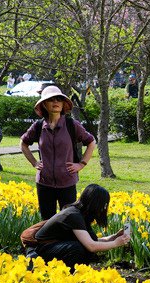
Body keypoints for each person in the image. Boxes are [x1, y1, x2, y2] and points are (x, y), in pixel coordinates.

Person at [20, 86, 97, 220]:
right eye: (51, 100)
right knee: (46, 221)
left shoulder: (72, 125)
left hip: (67, 182)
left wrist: (81, 164)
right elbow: (23, 143)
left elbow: (91, 142)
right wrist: (34, 162)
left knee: (68, 221)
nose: (55, 102)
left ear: (63, 104)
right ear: (44, 104)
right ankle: (49, 242)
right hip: (44, 183)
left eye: (59, 99)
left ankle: (66, 242)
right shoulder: (38, 126)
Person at [31, 184, 131, 269]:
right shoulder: (73, 215)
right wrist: (116, 243)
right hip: (41, 251)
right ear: (95, 203)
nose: (104, 209)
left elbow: (93, 241)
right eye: (103, 205)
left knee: (84, 244)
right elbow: (91, 246)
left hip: (52, 247)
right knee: (78, 248)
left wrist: (114, 237)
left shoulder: (81, 214)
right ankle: (68, 275)